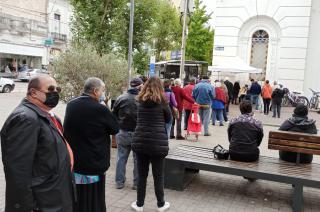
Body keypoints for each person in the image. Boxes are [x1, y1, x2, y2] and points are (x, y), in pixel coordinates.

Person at [1, 75, 75, 212]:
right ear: (33, 92)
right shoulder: (25, 119)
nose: (55, 93)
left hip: (54, 196)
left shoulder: (49, 116)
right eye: (50, 89)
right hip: (42, 203)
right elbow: (18, 171)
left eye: (57, 89)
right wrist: (27, 206)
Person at [63, 77, 119, 212]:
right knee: (94, 197)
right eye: (102, 90)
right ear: (95, 91)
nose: (103, 94)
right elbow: (115, 128)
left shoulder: (71, 104)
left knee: (78, 195)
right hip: (94, 161)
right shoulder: (100, 109)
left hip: (75, 160)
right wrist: (106, 109)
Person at [131, 77, 171, 212]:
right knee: (158, 176)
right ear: (160, 87)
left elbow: (137, 118)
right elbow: (169, 119)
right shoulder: (163, 102)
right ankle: (161, 204)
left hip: (141, 142)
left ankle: (139, 204)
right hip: (158, 144)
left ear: (145, 86)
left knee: (142, 175)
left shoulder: (139, 101)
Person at [113, 78, 143, 190]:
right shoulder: (142, 99)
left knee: (121, 158)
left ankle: (119, 182)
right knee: (137, 160)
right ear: (140, 86)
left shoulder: (121, 97)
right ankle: (136, 183)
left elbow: (114, 114)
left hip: (123, 132)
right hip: (137, 133)